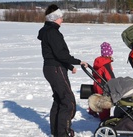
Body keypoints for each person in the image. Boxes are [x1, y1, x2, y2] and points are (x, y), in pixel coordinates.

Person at [37, 4, 88, 137]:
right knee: (68, 101)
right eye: (60, 17)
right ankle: (63, 133)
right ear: (54, 18)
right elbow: (60, 54)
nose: (62, 19)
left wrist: (70, 67)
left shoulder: (48, 30)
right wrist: (77, 61)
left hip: (52, 68)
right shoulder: (52, 32)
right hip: (55, 69)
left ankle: (56, 131)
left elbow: (55, 54)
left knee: (59, 99)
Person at [88, 42, 115, 121]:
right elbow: (109, 76)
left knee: (97, 97)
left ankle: (92, 110)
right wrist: (115, 83)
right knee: (105, 101)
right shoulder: (106, 64)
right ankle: (105, 118)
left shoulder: (98, 61)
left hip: (97, 83)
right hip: (103, 85)